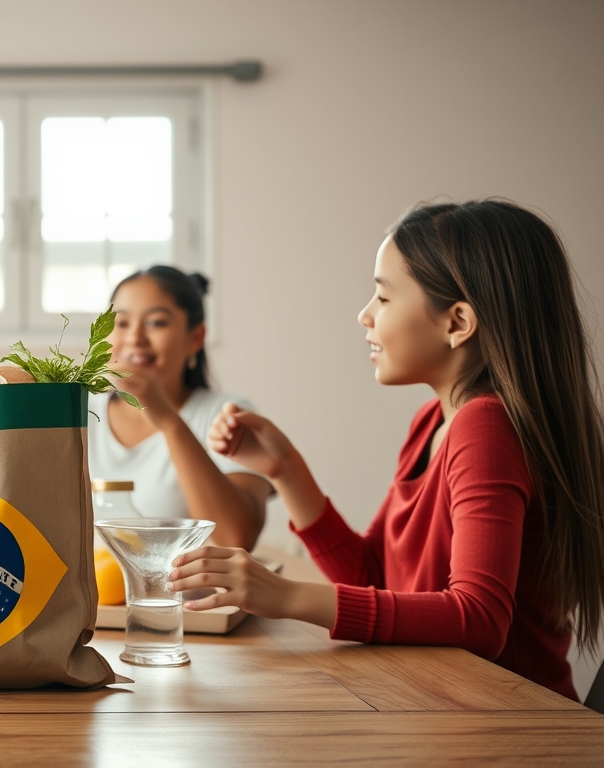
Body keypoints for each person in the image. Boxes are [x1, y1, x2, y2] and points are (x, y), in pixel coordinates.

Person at [171, 200, 604, 701]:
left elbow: (481, 619)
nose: (364, 315)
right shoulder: (433, 422)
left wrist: (286, 595)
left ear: (457, 323)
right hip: (443, 704)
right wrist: (286, 470)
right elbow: (374, 576)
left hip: (510, 724)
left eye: (383, 297)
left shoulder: (486, 428)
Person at [90, 266, 272, 549]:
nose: (135, 338)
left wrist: (168, 421)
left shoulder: (226, 415)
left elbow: (235, 539)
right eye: (121, 323)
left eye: (156, 323)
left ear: (195, 338)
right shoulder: (78, 413)